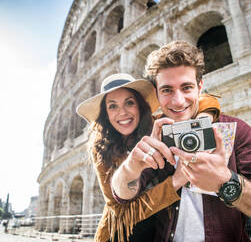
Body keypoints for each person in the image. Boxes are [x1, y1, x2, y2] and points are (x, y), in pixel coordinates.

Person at [111, 40, 251, 241]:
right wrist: (130, 168)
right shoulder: (156, 134)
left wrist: (225, 181)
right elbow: (122, 194)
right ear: (156, 93)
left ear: (200, 87)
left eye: (186, 87)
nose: (178, 101)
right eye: (167, 90)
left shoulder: (236, 130)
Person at [76, 73, 221, 242]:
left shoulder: (160, 126)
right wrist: (176, 181)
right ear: (105, 113)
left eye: (129, 103)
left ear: (140, 105)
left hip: (163, 229)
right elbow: (120, 209)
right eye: (112, 106)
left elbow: (206, 99)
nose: (122, 113)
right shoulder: (101, 147)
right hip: (121, 234)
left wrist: (202, 119)